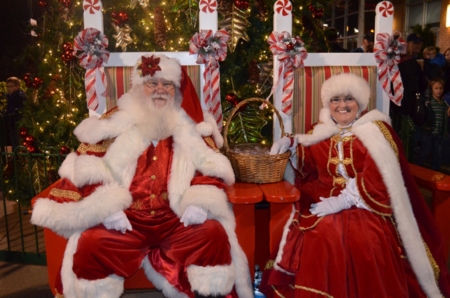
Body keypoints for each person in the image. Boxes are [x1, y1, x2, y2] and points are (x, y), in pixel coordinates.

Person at [31, 54, 253, 298]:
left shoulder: (190, 127)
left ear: (175, 91)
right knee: (91, 243)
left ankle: (210, 294)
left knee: (213, 234)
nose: (160, 90)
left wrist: (200, 200)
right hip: (128, 221)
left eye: (167, 84)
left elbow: (209, 165)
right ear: (139, 88)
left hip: (175, 220)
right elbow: (89, 166)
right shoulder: (113, 124)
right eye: (152, 83)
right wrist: (106, 207)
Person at [261, 73, 450, 298]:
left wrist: (342, 200)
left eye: (348, 99)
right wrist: (292, 145)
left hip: (366, 205)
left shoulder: (377, 130)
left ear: (359, 102)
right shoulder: (320, 130)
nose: (341, 105)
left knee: (362, 238)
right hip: (322, 200)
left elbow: (380, 176)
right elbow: (309, 164)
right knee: (319, 235)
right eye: (335, 100)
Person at [390, 32, 428, 161]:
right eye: (415, 43)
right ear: (408, 44)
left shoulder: (397, 62)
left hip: (397, 105)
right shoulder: (412, 64)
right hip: (406, 107)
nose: (418, 46)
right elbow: (423, 85)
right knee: (408, 137)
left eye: (419, 43)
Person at [416, 78, 449, 170]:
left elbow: (444, 118)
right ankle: (417, 168)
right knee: (424, 151)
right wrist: (425, 126)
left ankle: (435, 172)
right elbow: (423, 116)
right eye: (436, 88)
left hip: (439, 133)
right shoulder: (429, 102)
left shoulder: (443, 103)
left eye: (441, 88)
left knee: (437, 153)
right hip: (429, 132)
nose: (439, 91)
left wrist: (445, 131)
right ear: (432, 89)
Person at [3, 77, 26, 150]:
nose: (9, 88)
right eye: (8, 86)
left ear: (17, 86)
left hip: (17, 122)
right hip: (11, 123)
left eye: (11, 86)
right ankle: (16, 157)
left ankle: (19, 157)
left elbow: (21, 109)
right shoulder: (9, 96)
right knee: (14, 141)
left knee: (18, 141)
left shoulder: (20, 96)